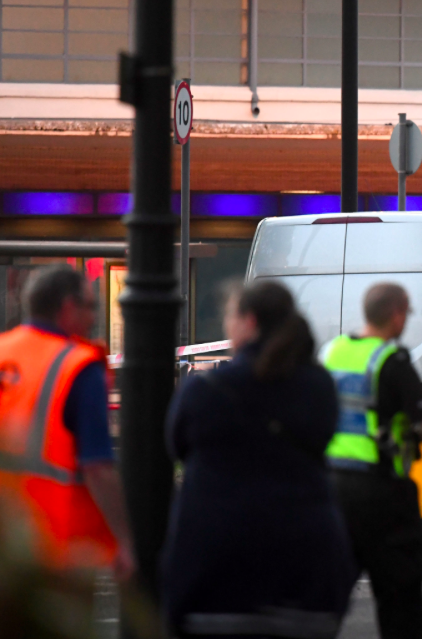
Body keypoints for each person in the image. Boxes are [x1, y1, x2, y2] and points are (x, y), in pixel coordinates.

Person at [162, 280, 354, 638]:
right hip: (307, 574)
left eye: (229, 317)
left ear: (248, 322)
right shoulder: (319, 387)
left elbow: (177, 448)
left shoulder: (204, 391)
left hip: (215, 577)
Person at [322, 282, 422, 639]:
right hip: (382, 495)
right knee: (399, 597)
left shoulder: (331, 352)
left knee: (329, 594)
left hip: (331, 488)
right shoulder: (393, 360)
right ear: (397, 314)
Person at [0, 263, 134, 578]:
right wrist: (127, 541)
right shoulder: (77, 366)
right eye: (90, 307)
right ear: (68, 307)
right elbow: (98, 467)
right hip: (54, 547)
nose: (93, 318)